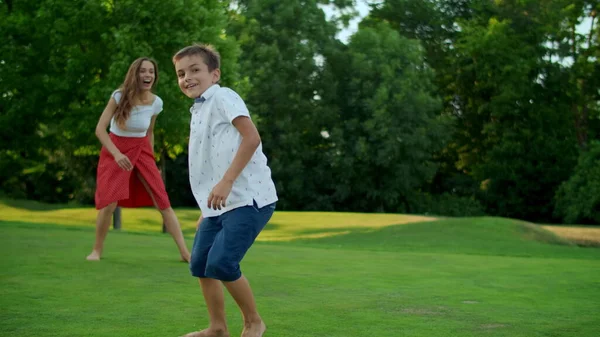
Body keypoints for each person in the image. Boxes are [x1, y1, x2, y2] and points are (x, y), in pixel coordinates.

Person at [173, 44, 277, 337]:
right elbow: (211, 159)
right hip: (217, 206)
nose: (187, 77)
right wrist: (205, 209)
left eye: (195, 70)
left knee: (221, 262)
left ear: (214, 74)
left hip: (248, 198)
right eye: (181, 73)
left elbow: (251, 137)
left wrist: (228, 181)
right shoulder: (200, 108)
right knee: (201, 264)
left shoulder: (223, 95)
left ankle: (254, 321)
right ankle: (217, 328)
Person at [86, 57, 190, 262]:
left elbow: (149, 132)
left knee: (163, 201)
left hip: (142, 151)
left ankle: (186, 253)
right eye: (143, 71)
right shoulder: (118, 97)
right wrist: (116, 154)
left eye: (151, 71)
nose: (148, 75)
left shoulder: (156, 103)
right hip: (115, 149)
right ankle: (96, 250)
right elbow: (100, 129)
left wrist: (150, 160)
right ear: (135, 74)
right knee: (109, 204)